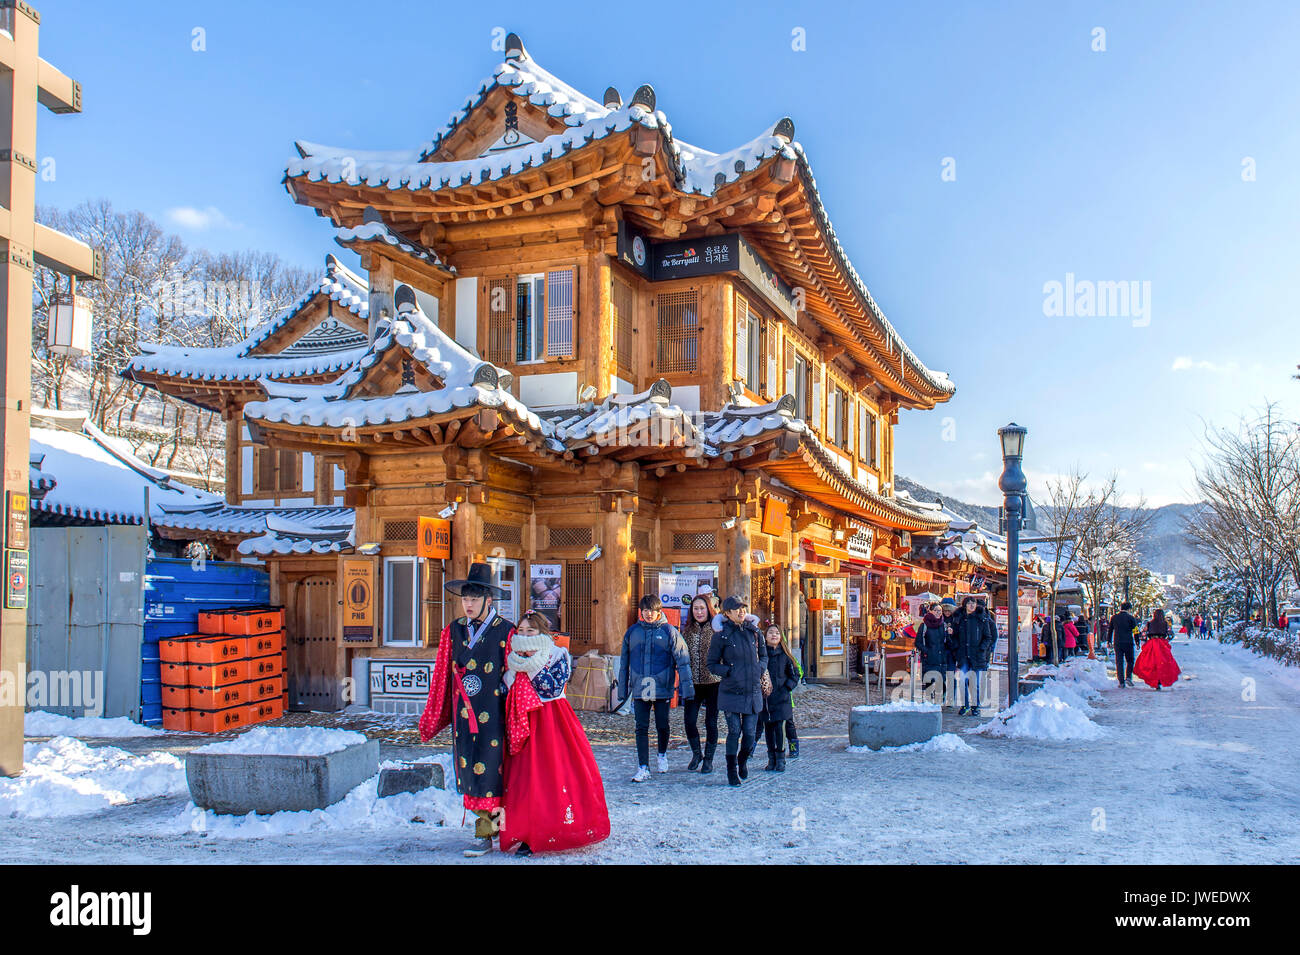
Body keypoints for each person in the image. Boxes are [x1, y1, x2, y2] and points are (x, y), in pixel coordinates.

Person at [418, 562, 516, 857]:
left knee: (493, 773)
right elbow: (440, 676)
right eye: (465, 599)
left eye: (474, 599)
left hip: (494, 712)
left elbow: (515, 676)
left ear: (489, 599)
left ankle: (491, 833)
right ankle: (486, 831)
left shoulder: (506, 632)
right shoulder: (453, 631)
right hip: (464, 714)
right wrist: (435, 713)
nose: (468, 604)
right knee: (471, 771)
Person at [500, 611, 610, 857]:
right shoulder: (511, 657)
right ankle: (525, 830)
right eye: (521, 630)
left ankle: (556, 827)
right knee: (524, 779)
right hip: (522, 720)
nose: (525, 635)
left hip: (551, 720)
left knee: (553, 775)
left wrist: (532, 664)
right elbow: (505, 687)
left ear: (542, 633)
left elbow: (552, 687)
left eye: (531, 631)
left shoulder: (557, 654)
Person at [617, 594, 694, 782]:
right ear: (641, 612)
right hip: (640, 686)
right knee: (640, 727)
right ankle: (643, 766)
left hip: (662, 685)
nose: (648, 614)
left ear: (659, 611)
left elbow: (683, 660)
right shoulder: (632, 632)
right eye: (645, 611)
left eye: (652, 611)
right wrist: (622, 691)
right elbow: (624, 662)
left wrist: (687, 689)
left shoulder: (669, 631)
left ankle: (662, 754)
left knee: (662, 724)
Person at [707, 595, 766, 786]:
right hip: (731, 690)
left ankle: (742, 760)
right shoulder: (721, 636)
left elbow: (764, 656)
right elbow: (712, 664)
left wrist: (760, 669)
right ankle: (731, 770)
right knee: (734, 731)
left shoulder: (755, 632)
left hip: (753, 690)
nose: (741, 612)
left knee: (750, 734)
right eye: (737, 609)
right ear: (728, 613)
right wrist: (729, 671)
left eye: (743, 608)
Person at [680, 594, 723, 773]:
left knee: (711, 722)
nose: (699, 612)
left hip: (714, 682)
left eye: (702, 608)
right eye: (695, 609)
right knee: (689, 721)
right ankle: (696, 753)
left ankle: (709, 759)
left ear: (708, 609)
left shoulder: (717, 630)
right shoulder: (687, 631)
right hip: (693, 683)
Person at [755, 624, 801, 772]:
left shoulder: (786, 656)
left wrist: (787, 688)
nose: (774, 635)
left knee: (779, 730)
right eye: (770, 633)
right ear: (765, 636)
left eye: (776, 633)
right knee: (768, 730)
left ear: (781, 637)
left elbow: (795, 674)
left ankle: (780, 759)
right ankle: (771, 759)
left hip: (782, 699)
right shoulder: (760, 656)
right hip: (766, 699)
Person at [950, 596, 996, 716]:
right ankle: (965, 705)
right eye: (969, 603)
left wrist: (982, 649)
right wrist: (956, 648)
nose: (971, 605)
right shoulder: (958, 618)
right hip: (963, 655)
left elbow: (988, 637)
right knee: (963, 681)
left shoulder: (982, 619)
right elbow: (954, 636)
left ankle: (975, 706)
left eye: (973, 603)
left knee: (974, 682)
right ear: (965, 605)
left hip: (976, 655)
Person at [914, 603, 952, 706]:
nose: (938, 613)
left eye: (940, 611)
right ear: (930, 611)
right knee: (929, 682)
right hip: (929, 659)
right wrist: (927, 651)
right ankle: (928, 704)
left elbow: (947, 643)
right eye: (936, 610)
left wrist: (949, 635)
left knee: (941, 681)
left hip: (941, 659)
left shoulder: (943, 625)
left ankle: (939, 703)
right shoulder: (924, 626)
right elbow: (918, 642)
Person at [1134, 609, 1181, 690]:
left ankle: (1154, 681)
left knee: (1151, 664)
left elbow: (1143, 634)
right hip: (1162, 644)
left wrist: (1145, 641)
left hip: (1152, 644)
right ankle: (1160, 680)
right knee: (1163, 663)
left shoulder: (1149, 623)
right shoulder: (1165, 624)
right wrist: (1166, 640)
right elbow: (1171, 635)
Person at [1107, 601, 1139, 688]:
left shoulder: (1114, 618)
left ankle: (1121, 681)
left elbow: (1110, 630)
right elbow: (1135, 631)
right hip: (1128, 642)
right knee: (1130, 660)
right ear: (1128, 609)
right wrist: (1137, 641)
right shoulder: (1131, 618)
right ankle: (1128, 677)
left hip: (1117, 642)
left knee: (1119, 661)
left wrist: (1108, 641)